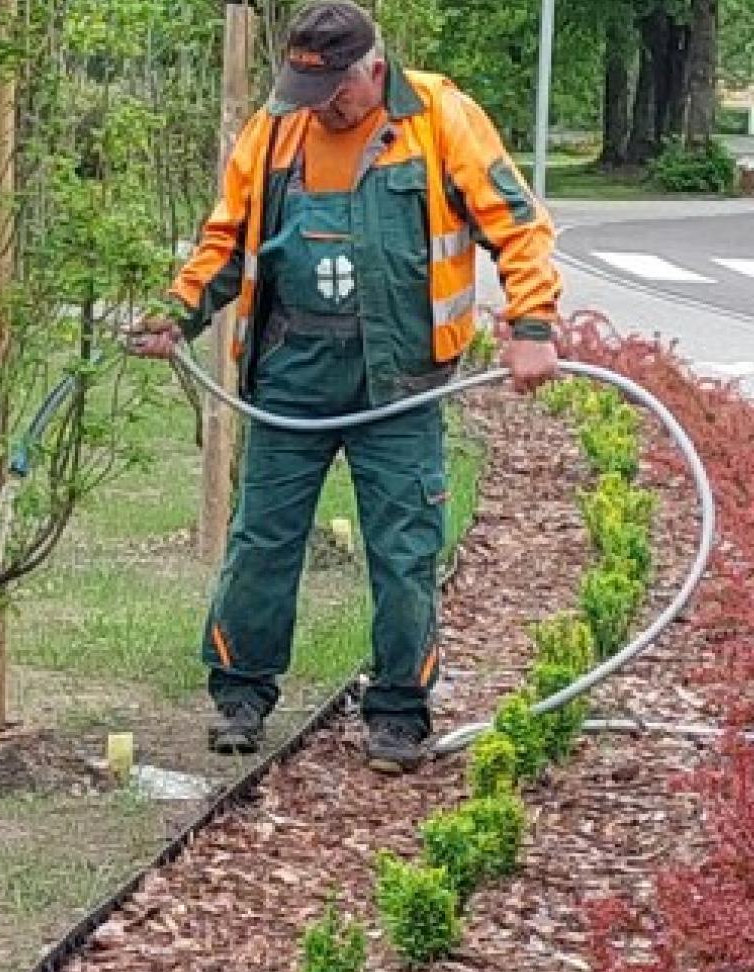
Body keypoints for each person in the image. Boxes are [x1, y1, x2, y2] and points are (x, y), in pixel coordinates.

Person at [130, 0, 562, 773]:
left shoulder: (440, 118)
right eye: (308, 90)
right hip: (291, 380)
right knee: (262, 541)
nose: (323, 105)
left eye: (335, 89)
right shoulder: (278, 128)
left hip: (401, 385)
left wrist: (532, 325)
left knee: (404, 550)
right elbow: (224, 239)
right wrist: (178, 312)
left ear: (373, 68)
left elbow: (519, 227)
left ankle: (398, 710)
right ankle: (240, 693)